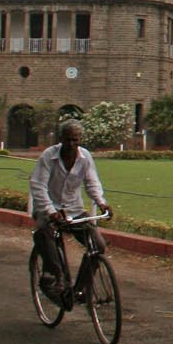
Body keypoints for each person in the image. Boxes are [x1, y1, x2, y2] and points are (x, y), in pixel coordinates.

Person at [29, 120, 113, 298]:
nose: (71, 145)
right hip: (48, 208)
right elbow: (38, 186)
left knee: (98, 245)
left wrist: (101, 202)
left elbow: (92, 183)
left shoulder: (85, 157)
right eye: (68, 140)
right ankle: (55, 276)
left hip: (74, 209)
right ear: (61, 139)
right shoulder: (48, 156)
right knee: (45, 233)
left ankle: (80, 288)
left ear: (80, 139)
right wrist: (51, 211)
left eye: (75, 140)